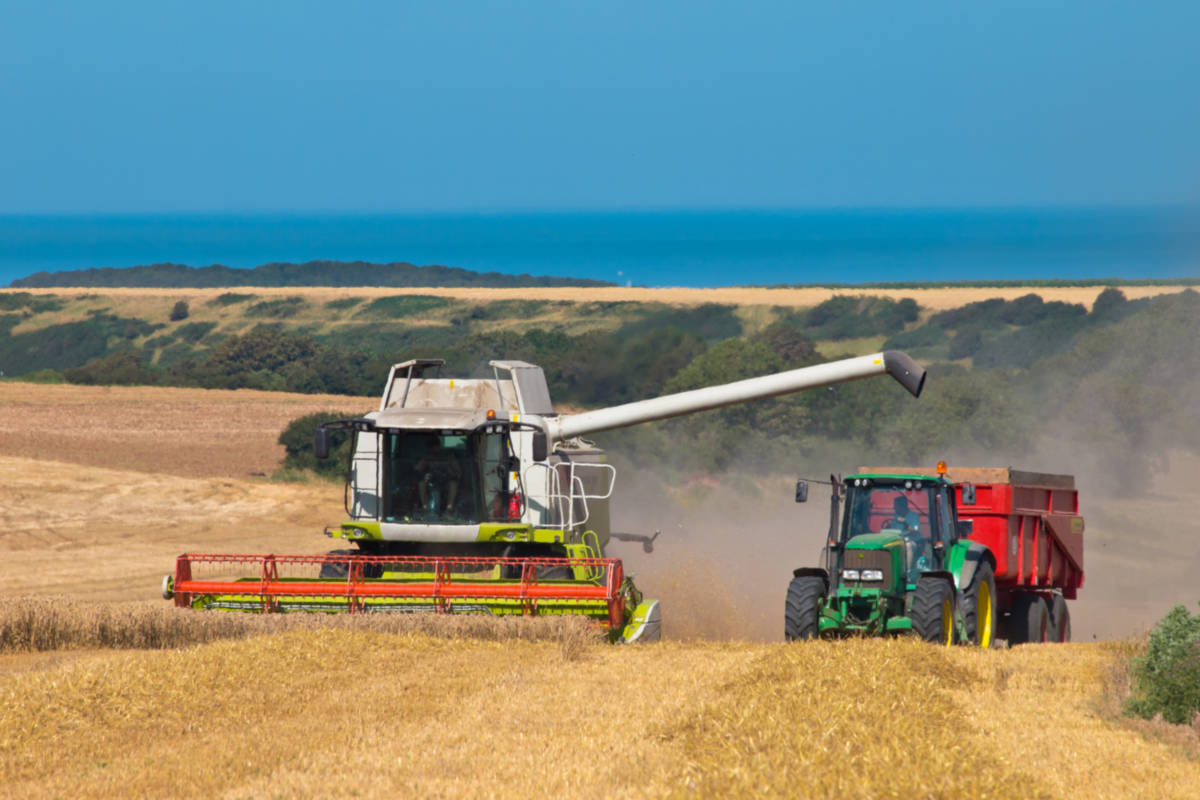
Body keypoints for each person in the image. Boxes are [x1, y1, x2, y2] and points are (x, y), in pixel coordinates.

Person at [416, 439, 462, 518]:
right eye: (432, 447)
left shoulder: (449, 456)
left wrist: (449, 471)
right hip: (432, 481)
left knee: (453, 484)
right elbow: (417, 470)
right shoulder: (427, 457)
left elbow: (458, 472)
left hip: (446, 481)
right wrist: (424, 464)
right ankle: (425, 507)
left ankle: (449, 508)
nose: (435, 449)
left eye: (436, 446)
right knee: (421, 483)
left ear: (439, 446)